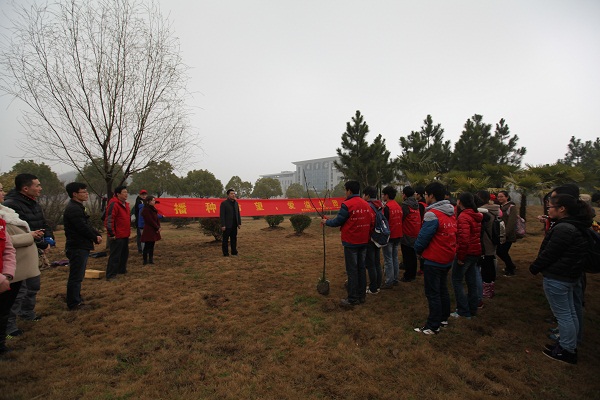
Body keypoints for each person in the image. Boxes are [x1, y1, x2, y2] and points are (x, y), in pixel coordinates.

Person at [529, 194, 593, 365]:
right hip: (569, 275)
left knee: (564, 315)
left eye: (550, 206)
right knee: (570, 313)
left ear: (562, 209)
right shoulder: (576, 225)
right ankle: (568, 344)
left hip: (558, 277)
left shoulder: (564, 228)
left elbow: (550, 253)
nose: (548, 209)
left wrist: (535, 267)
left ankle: (567, 350)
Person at [2, 173, 53, 323]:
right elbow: (15, 235)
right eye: (37, 185)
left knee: (33, 286)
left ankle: (26, 313)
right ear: (25, 188)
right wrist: (40, 241)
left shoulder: (34, 203)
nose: (40, 188)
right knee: (19, 291)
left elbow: (43, 223)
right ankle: (9, 325)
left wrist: (49, 239)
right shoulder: (11, 207)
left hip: (33, 249)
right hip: (19, 256)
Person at [413, 182, 457, 335]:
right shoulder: (450, 212)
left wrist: (417, 250)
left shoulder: (432, 214)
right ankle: (443, 318)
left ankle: (432, 326)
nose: (425, 197)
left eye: (426, 194)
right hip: (447, 257)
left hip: (434, 258)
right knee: (442, 289)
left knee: (433, 293)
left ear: (431, 196)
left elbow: (423, 238)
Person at [322, 181, 374, 307]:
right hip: (364, 241)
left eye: (345, 190)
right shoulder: (366, 204)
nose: (345, 193)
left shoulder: (347, 204)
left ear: (349, 191)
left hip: (351, 242)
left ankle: (352, 299)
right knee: (361, 269)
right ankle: (361, 296)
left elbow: (338, 221)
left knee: (352, 271)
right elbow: (372, 221)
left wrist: (326, 222)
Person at [0, 183, 40, 339]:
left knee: (24, 291)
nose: (3, 193)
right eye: (0, 190)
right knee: (12, 299)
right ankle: (8, 329)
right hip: (12, 266)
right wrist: (30, 236)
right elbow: (9, 241)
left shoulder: (7, 212)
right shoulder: (11, 207)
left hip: (13, 266)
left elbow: (7, 246)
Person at [63, 182, 102, 310]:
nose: (86, 194)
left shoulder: (78, 207)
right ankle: (74, 303)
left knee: (78, 276)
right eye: (83, 192)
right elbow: (82, 227)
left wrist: (96, 233)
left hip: (81, 246)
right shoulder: (73, 209)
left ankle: (76, 298)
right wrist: (94, 237)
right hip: (77, 246)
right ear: (75, 194)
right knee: (76, 277)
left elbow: (86, 224)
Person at [450, 192, 482, 319]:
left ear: (460, 202)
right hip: (475, 252)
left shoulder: (464, 217)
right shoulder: (475, 214)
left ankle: (463, 310)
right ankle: (472, 308)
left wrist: (460, 257)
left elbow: (464, 239)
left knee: (457, 280)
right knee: (471, 281)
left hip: (466, 253)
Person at [475, 190, 502, 299]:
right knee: (490, 263)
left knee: (486, 266)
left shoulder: (483, 212)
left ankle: (486, 289)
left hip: (485, 242)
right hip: (493, 240)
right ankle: (490, 287)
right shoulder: (495, 209)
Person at [105, 186, 131, 280]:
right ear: (118, 194)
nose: (126, 194)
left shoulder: (126, 204)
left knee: (124, 254)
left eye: (126, 192)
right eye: (124, 192)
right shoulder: (114, 204)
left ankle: (121, 270)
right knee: (115, 255)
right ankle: (111, 274)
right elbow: (109, 220)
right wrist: (111, 234)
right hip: (117, 235)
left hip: (125, 234)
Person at [0, 216, 18, 356]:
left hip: (3, 280)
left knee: (2, 312)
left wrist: (7, 275)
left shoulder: (1, 223)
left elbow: (8, 250)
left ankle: (1, 346)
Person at [381, 185, 403, 289]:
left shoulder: (387, 208)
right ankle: (395, 279)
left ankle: (389, 281)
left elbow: (384, 223)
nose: (382, 196)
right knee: (395, 257)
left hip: (389, 236)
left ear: (387, 195)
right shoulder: (398, 206)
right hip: (398, 235)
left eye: (383, 194)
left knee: (388, 259)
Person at [363, 186, 383, 294]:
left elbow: (369, 223)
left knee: (371, 264)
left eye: (364, 194)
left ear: (367, 195)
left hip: (370, 238)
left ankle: (373, 288)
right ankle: (378, 285)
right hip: (378, 237)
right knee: (377, 263)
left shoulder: (368, 206)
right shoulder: (380, 205)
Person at [399, 186, 421, 282]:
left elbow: (401, 218)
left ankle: (408, 276)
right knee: (412, 255)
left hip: (407, 233)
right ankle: (413, 274)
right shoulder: (416, 204)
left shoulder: (405, 205)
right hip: (415, 232)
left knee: (407, 255)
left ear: (405, 194)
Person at [497, 190, 518, 276]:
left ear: (507, 197)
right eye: (498, 197)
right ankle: (510, 266)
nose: (500, 198)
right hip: (501, 233)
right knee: (502, 252)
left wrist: (505, 233)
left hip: (508, 234)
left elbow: (512, 222)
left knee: (501, 251)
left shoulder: (511, 207)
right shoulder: (500, 207)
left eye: (502, 196)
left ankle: (511, 268)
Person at [220, 189, 241, 257]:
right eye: (231, 194)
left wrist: (239, 223)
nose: (233, 195)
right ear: (228, 195)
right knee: (225, 240)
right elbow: (222, 215)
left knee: (234, 239)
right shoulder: (224, 203)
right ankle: (225, 253)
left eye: (234, 193)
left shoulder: (236, 203)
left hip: (234, 224)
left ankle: (234, 252)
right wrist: (223, 225)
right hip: (227, 225)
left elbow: (238, 213)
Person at [141, 196, 161, 265]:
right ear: (148, 201)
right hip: (149, 229)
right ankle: (145, 260)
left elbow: (156, 219)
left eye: (154, 200)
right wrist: (156, 227)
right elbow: (150, 220)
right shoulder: (146, 210)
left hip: (154, 229)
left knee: (152, 245)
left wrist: (158, 227)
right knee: (147, 245)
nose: (154, 201)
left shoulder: (153, 209)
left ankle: (150, 259)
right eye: (153, 200)